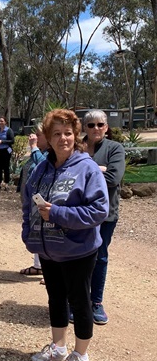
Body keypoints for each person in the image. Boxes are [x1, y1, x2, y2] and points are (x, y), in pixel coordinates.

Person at [22, 109, 109, 361]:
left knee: (80, 303)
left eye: (68, 133)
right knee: (55, 299)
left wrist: (59, 214)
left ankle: (81, 356)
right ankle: (58, 347)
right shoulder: (40, 168)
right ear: (47, 137)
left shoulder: (87, 167)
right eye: (57, 134)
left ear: (76, 135)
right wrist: (29, 234)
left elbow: (99, 210)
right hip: (49, 251)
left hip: (78, 251)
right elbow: (28, 203)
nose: (63, 139)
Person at [82, 110, 125, 325]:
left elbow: (113, 178)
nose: (95, 128)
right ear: (84, 128)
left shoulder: (114, 148)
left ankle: (96, 302)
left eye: (100, 124)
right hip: (78, 213)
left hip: (105, 214)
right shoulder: (76, 147)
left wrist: (86, 170)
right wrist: (97, 169)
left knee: (100, 256)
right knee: (77, 256)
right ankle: (78, 301)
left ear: (106, 127)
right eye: (90, 125)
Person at [17, 123, 49, 277]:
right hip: (31, 201)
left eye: (39, 134)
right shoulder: (39, 152)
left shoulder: (49, 153)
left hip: (42, 201)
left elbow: (43, 165)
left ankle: (48, 270)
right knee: (35, 231)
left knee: (44, 233)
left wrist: (34, 147)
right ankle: (38, 266)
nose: (35, 137)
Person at [0, 117, 14, 190]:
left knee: (6, 167)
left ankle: (6, 184)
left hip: (6, 151)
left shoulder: (9, 130)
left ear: (5, 122)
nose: (0, 123)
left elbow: (12, 141)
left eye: (2, 121)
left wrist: (2, 141)